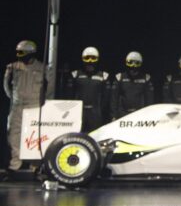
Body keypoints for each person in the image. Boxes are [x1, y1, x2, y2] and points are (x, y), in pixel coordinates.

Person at [4, 40, 54, 171]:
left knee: (35, 135)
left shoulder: (42, 68)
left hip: (34, 105)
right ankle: (15, 163)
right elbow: (6, 84)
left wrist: (44, 101)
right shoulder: (13, 67)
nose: (19, 55)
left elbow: (50, 86)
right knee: (13, 134)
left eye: (22, 52)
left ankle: (34, 165)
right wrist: (13, 97)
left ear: (30, 53)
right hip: (17, 106)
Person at [65, 47, 111, 133]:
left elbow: (106, 98)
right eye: (87, 58)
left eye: (93, 58)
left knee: (96, 136)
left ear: (97, 59)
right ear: (83, 59)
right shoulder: (75, 75)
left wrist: (100, 110)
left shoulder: (104, 76)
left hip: (96, 113)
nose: (90, 61)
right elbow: (69, 96)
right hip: (79, 112)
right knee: (77, 135)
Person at [110, 51, 154, 119]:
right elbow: (114, 99)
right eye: (131, 63)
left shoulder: (146, 78)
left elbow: (149, 100)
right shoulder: (120, 78)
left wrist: (149, 115)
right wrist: (113, 115)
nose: (133, 67)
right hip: (123, 114)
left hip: (140, 114)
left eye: (136, 64)